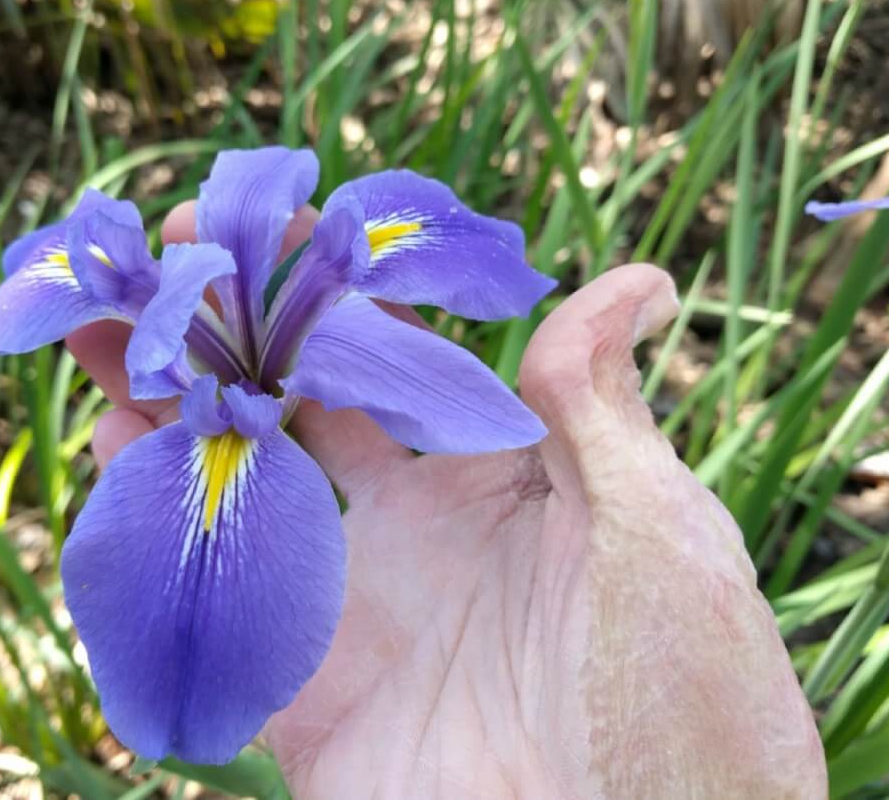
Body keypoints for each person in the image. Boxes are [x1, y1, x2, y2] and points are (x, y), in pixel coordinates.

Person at [66, 202, 828, 799]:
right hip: (226, 441)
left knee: (339, 249)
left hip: (258, 414)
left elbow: (465, 271)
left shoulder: (335, 291)